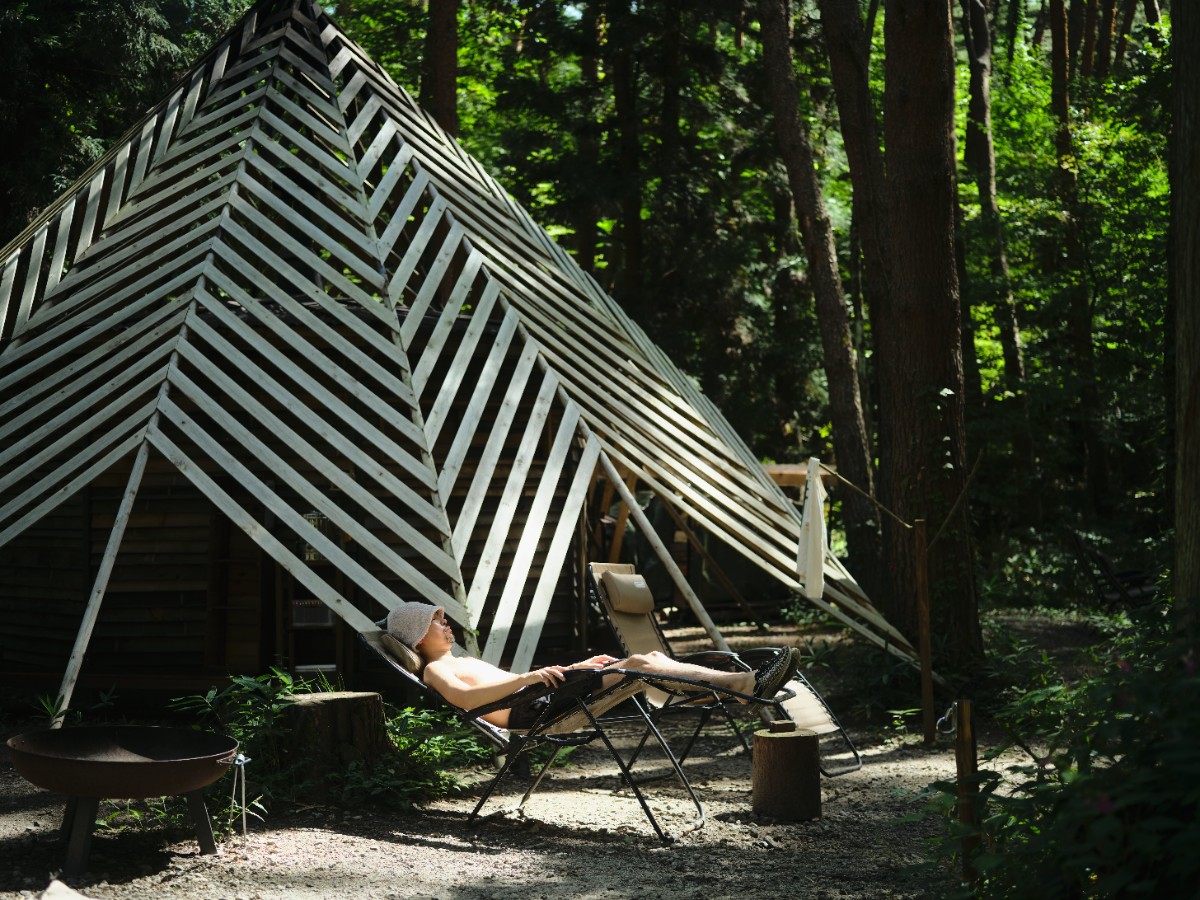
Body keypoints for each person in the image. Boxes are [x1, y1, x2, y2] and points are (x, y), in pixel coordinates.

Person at [386, 601, 801, 729]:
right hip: (533, 710)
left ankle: (743, 685)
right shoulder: (434, 669)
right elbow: (465, 698)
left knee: (649, 660)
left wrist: (575, 667)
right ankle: (746, 685)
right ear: (419, 635)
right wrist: (532, 678)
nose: (447, 625)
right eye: (438, 621)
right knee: (640, 663)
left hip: (541, 696)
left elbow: (510, 682)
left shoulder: (458, 658)